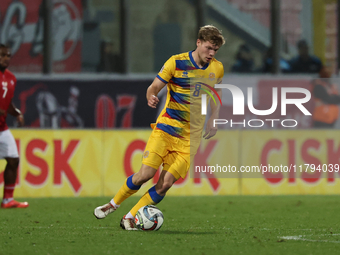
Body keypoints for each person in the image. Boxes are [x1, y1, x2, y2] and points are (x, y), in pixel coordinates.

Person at [93, 25, 225, 230]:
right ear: (198, 42)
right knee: (145, 175)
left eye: (215, 50)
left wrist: (214, 118)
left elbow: (216, 94)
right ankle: (113, 204)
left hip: (191, 137)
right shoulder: (176, 62)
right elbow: (154, 87)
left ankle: (130, 216)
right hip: (166, 129)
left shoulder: (217, 68)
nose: (211, 53)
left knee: (165, 184)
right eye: (208, 48)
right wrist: (151, 96)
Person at [0, 44, 28, 208]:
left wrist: (17, 113)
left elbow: (7, 103)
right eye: (2, 55)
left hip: (2, 129)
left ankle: (7, 199)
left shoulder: (11, 78)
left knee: (13, 160)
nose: (5, 58)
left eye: (8, 56)